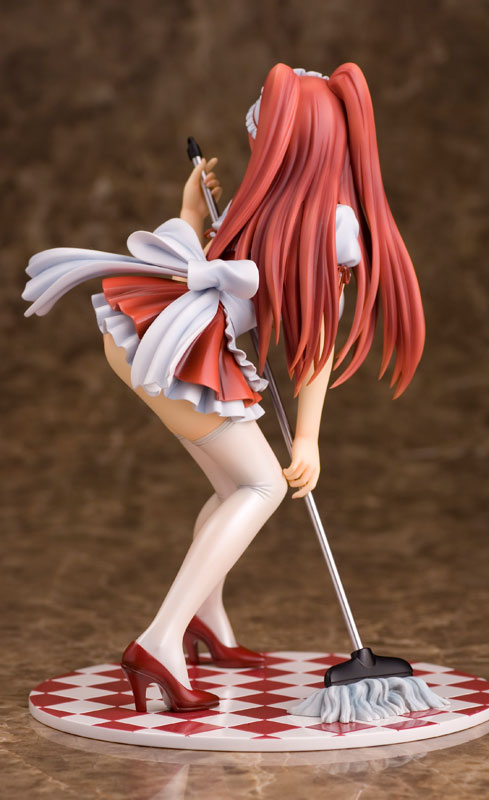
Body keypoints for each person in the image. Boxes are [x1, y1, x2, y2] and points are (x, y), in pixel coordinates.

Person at [22, 62, 425, 713]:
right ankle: (160, 641)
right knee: (261, 486)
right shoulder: (318, 219)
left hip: (150, 332)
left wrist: (190, 208)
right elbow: (316, 341)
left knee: (231, 487)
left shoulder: (286, 211)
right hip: (180, 348)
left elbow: (305, 330)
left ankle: (207, 623)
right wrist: (309, 439)